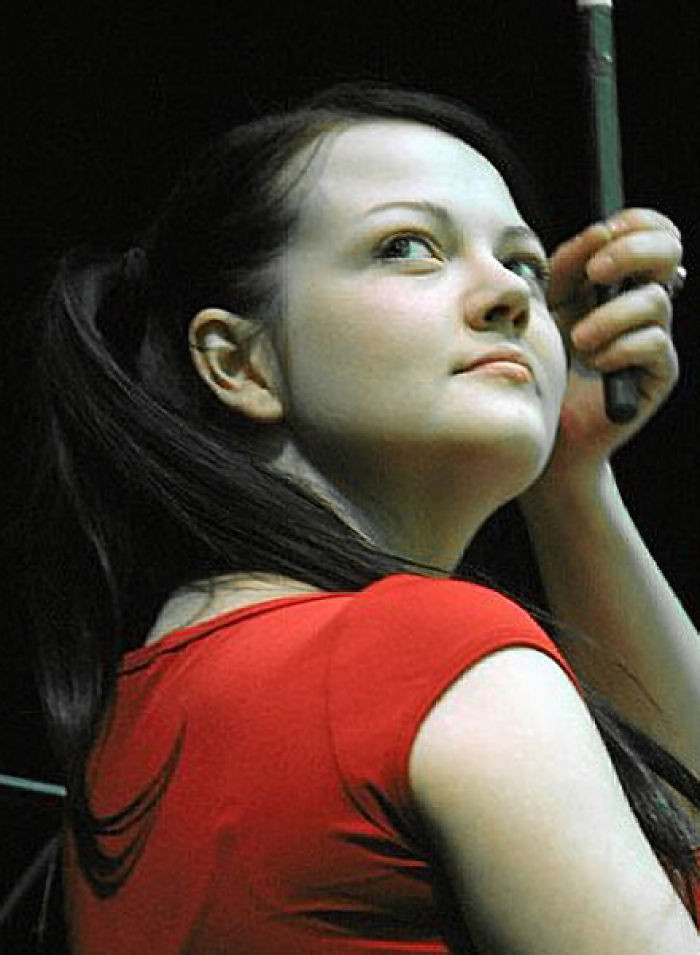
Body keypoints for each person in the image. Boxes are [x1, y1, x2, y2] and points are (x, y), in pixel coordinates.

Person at [25, 82, 699, 952]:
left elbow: (678, 822)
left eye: (524, 263)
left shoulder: (136, 715)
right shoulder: (433, 650)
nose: (511, 299)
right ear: (240, 362)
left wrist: (570, 476)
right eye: (408, 247)